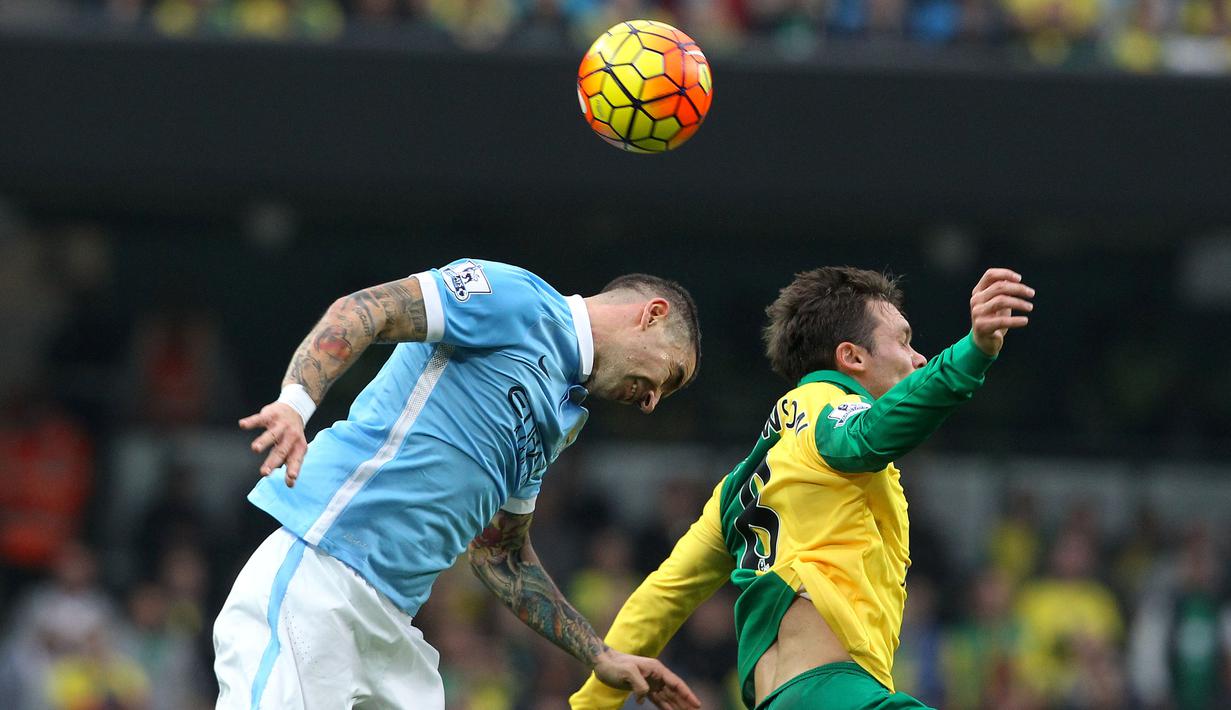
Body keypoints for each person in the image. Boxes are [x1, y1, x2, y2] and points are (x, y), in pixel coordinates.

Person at [213, 258, 702, 709]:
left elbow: (500, 554)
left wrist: (599, 655)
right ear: (652, 315)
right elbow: (368, 308)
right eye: (671, 375)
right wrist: (295, 403)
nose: (653, 401)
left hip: (392, 629)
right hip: (319, 577)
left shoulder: (564, 414)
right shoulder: (518, 299)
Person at [570, 266, 1035, 709]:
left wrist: (591, 704)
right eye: (904, 340)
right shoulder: (822, 409)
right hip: (831, 693)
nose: (919, 358)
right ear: (852, 357)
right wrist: (973, 351)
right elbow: (870, 435)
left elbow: (660, 599)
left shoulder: (736, 489)